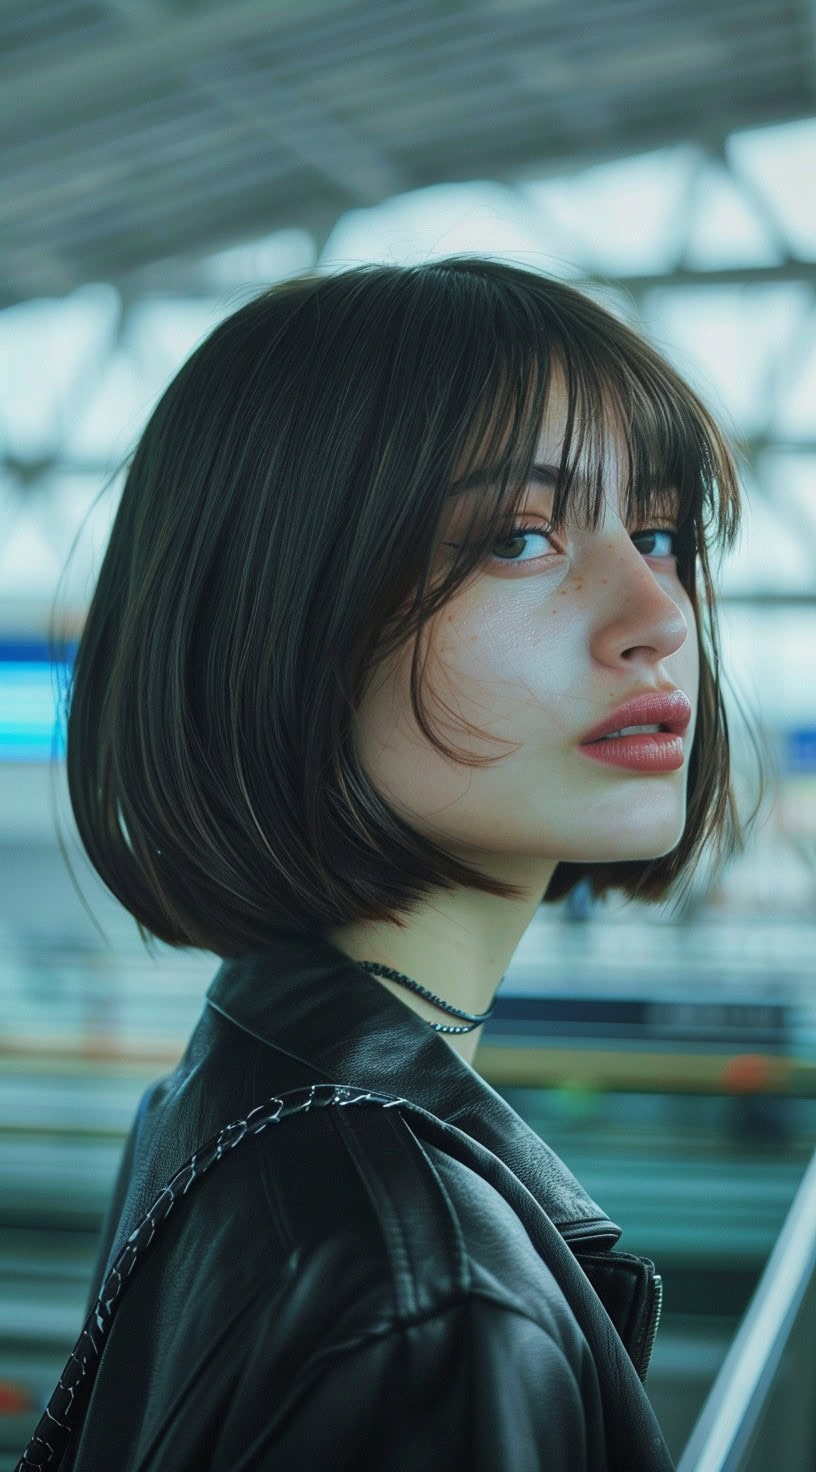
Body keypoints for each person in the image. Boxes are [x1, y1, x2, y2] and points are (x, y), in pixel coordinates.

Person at [39, 257, 759, 1471]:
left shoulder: (224, 1097)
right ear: (282, 617)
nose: (659, 611)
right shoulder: (436, 1304)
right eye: (519, 537)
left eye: (662, 533)